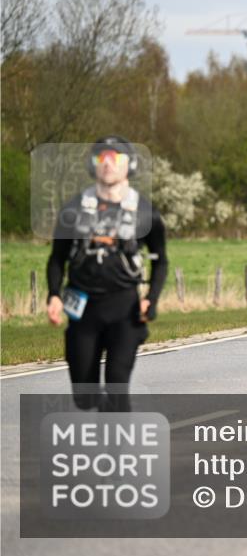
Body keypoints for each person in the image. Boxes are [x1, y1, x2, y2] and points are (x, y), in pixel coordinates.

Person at [46, 136, 167, 412]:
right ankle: (104, 408)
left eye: (116, 158)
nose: (108, 164)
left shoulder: (146, 212)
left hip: (125, 310)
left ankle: (117, 435)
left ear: (129, 165)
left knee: (116, 383)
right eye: (101, 158)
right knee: (84, 398)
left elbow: (161, 261)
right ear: (93, 165)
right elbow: (57, 258)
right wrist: (54, 294)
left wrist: (152, 298)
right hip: (83, 310)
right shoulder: (73, 210)